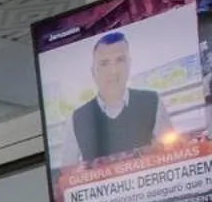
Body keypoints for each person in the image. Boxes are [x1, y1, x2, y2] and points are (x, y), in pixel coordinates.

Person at [62, 31, 176, 164]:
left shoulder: (152, 101)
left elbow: (172, 153)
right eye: (104, 63)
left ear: (129, 65)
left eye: (120, 60)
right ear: (93, 72)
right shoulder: (77, 119)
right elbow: (67, 175)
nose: (113, 71)